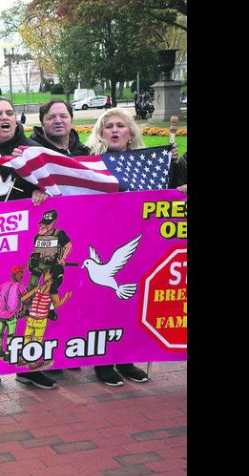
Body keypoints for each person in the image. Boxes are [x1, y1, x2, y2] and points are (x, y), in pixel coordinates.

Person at [0, 97, 57, 392]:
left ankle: (28, 367)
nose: (5, 118)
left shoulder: (32, 149)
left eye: (9, 113)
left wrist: (43, 193)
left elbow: (53, 186)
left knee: (26, 306)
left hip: (23, 242)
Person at [84, 107, 180, 386]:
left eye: (121, 126)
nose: (115, 130)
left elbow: (166, 197)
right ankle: (102, 362)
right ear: (101, 133)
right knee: (103, 304)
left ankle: (126, 359)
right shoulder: (91, 164)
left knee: (132, 304)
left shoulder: (149, 164)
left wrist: (170, 166)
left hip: (139, 242)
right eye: (108, 126)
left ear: (130, 133)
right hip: (102, 239)